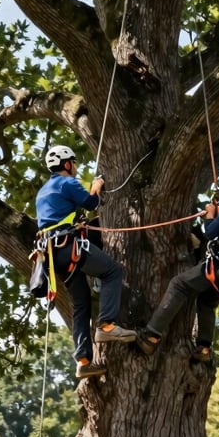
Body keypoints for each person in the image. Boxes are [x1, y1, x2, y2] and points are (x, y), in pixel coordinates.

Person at [138, 155, 219, 362]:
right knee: (206, 302)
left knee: (179, 284)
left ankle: (151, 335)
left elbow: (210, 232)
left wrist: (209, 213)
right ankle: (204, 348)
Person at [36, 144, 136, 379]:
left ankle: (83, 361)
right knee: (112, 271)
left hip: (52, 255)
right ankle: (107, 325)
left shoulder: (43, 191)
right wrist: (97, 186)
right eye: (74, 163)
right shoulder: (67, 182)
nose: (76, 167)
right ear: (67, 164)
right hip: (67, 246)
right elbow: (91, 203)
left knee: (81, 304)